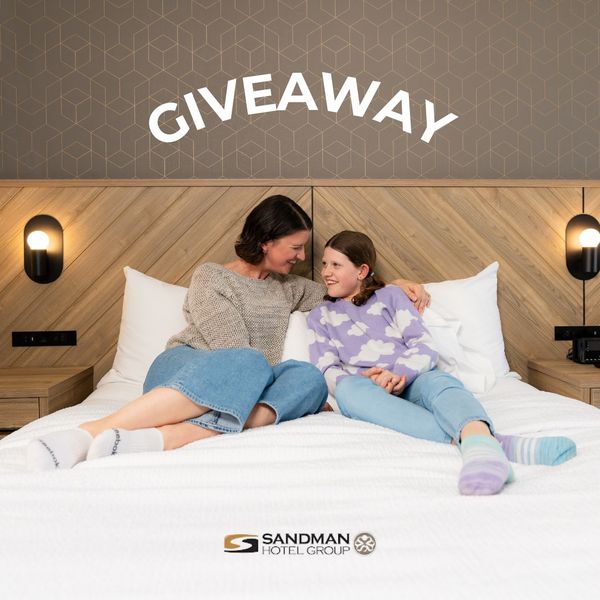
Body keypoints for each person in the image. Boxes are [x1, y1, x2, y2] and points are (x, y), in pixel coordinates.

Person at [26, 197, 430, 471]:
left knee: (308, 377)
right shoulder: (211, 277)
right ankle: (87, 434)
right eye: (295, 247)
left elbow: (344, 291)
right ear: (266, 241)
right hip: (185, 370)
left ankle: (167, 438)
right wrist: (288, 399)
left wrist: (391, 283)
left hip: (245, 381)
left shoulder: (289, 287)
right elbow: (231, 350)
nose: (302, 257)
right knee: (251, 361)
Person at [306, 230, 577, 496]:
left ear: (362, 271)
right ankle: (485, 443)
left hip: (410, 378)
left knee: (439, 381)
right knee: (348, 391)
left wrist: (398, 373)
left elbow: (423, 344)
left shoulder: (391, 296)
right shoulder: (320, 316)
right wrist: (367, 380)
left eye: (336, 265)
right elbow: (326, 367)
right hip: (367, 388)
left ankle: (478, 438)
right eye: (325, 264)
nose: (326, 272)